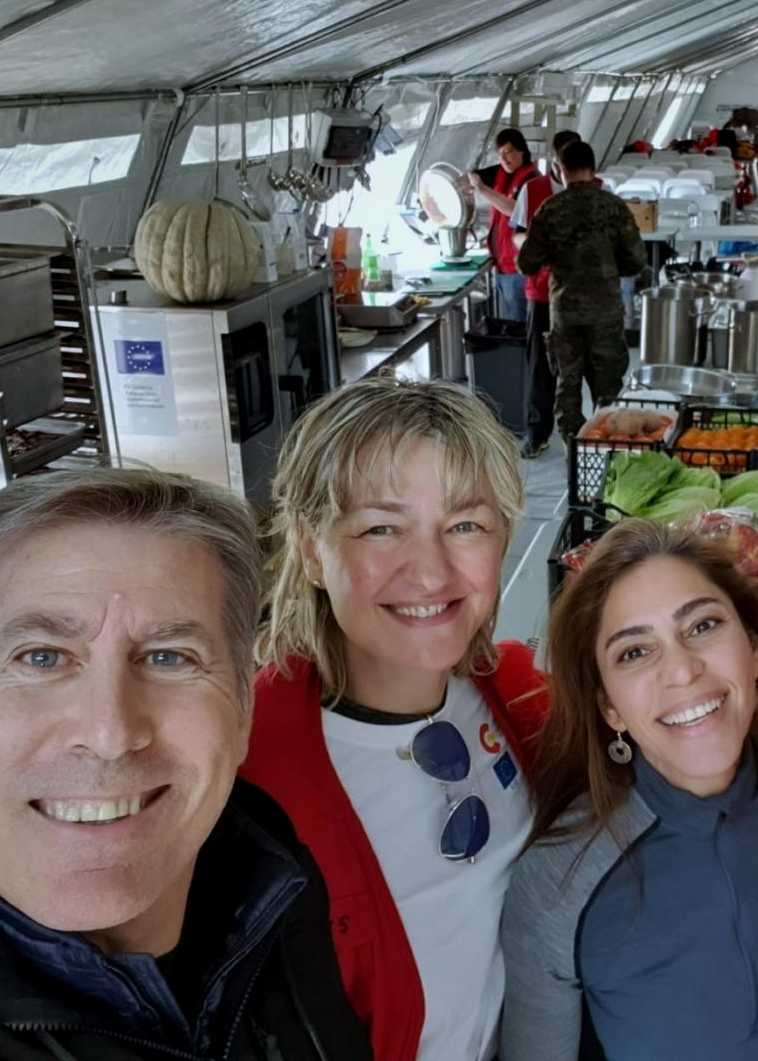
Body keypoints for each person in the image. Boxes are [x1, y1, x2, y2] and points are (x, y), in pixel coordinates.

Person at [0, 468, 373, 1061]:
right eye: (42, 657)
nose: (110, 734)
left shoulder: (267, 867)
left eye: (168, 657)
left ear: (241, 717)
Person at [242, 377, 548, 1061]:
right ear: (314, 549)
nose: (432, 571)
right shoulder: (245, 775)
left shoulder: (521, 699)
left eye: (465, 525)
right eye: (382, 528)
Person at [503, 520, 758, 1061]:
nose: (682, 670)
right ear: (609, 706)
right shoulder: (559, 879)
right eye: (634, 652)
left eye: (703, 625)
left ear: (756, 649)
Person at [517, 139, 647, 447]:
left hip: (566, 317)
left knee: (568, 388)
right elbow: (636, 261)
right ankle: (608, 456)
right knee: (608, 391)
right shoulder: (613, 207)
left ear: (560, 170)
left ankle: (575, 457)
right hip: (606, 313)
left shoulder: (551, 209)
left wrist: (553, 256)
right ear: (593, 168)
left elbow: (526, 264)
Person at [509, 129, 580, 459]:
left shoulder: (593, 189)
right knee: (540, 366)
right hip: (541, 292)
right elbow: (517, 235)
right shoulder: (533, 189)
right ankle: (537, 433)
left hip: (581, 293)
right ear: (553, 159)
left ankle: (581, 435)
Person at [469, 128, 548, 321]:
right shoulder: (502, 174)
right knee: (513, 322)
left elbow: (516, 209)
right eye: (500, 155)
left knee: (521, 325)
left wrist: (483, 190)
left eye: (508, 152)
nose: (503, 159)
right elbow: (467, 179)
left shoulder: (532, 180)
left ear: (521, 150)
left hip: (518, 269)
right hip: (502, 265)